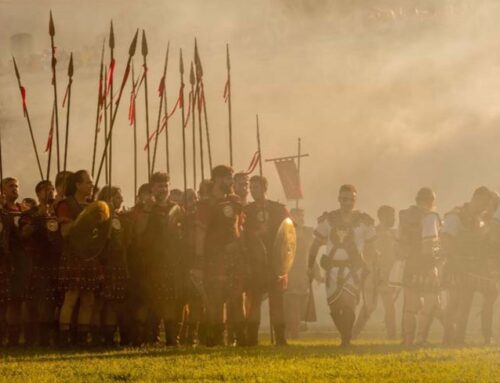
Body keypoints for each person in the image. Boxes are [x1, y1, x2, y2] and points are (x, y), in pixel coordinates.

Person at [308, 184, 376, 347]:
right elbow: (316, 244)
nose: (348, 203)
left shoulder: (364, 221)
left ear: (355, 200)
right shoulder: (328, 220)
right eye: (344, 199)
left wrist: (370, 266)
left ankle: (345, 340)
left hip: (353, 269)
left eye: (351, 199)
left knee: (349, 304)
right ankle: (346, 336)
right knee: (335, 306)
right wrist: (310, 265)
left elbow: (371, 247)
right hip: (332, 270)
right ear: (339, 199)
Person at [192, 165, 245, 346]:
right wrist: (199, 263)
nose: (231, 181)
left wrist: (239, 244)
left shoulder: (235, 201)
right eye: (227, 178)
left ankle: (240, 338)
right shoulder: (206, 205)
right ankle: (217, 339)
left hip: (235, 257)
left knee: (238, 296)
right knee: (217, 299)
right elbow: (201, 235)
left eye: (231, 177)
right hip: (215, 257)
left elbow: (238, 226)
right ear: (217, 180)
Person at [130, 172, 182, 346]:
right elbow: (138, 230)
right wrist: (147, 209)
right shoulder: (142, 208)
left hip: (170, 261)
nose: (164, 189)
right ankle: (148, 338)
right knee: (148, 300)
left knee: (169, 300)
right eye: (160, 186)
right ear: (152, 187)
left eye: (166, 185)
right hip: (149, 261)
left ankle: (171, 340)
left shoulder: (176, 208)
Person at [57, 170, 106, 347]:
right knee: (71, 297)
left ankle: (82, 338)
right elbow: (65, 231)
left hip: (90, 255)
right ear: (77, 185)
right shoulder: (66, 204)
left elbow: (101, 232)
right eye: (87, 182)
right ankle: (64, 338)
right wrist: (84, 220)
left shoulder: (94, 205)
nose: (91, 185)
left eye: (91, 183)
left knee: (88, 298)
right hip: (73, 254)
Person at [441, 186, 492, 345]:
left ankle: (459, 339)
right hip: (456, 265)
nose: (485, 208)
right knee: (455, 302)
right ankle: (448, 337)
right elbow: (446, 239)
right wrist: (453, 260)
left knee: (466, 303)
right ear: (476, 197)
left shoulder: (480, 219)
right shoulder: (456, 216)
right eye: (484, 203)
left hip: (471, 268)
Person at [244, 175, 290, 346]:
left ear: (264, 188)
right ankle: (252, 338)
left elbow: (288, 234)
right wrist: (257, 233)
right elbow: (242, 234)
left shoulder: (278, 209)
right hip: (256, 262)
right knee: (254, 299)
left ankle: (280, 338)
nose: (252, 190)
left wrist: (284, 265)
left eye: (255, 187)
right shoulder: (247, 211)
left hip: (275, 262)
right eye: (251, 187)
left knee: (277, 301)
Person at [20, 180, 60, 346]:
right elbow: (24, 234)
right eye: (45, 190)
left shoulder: (58, 211)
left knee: (52, 301)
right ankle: (31, 338)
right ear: (38, 193)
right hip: (35, 261)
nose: (50, 192)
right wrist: (38, 217)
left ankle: (48, 338)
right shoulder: (30, 214)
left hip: (54, 261)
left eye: (52, 189)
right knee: (34, 301)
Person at [399, 188, 441, 346]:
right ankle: (420, 338)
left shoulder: (404, 216)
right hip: (426, 264)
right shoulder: (430, 217)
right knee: (429, 303)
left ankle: (408, 338)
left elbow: (400, 242)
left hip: (409, 264)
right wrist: (433, 266)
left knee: (410, 306)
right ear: (431, 201)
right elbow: (428, 246)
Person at [353, 205, 398, 340]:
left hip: (386, 275)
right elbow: (368, 254)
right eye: (391, 215)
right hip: (374, 274)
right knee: (369, 307)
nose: (393, 219)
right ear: (383, 217)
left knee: (389, 307)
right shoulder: (375, 233)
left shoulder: (393, 234)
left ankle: (392, 336)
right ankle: (353, 334)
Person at [284, 207, 318, 339]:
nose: (299, 218)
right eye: (296, 216)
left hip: (304, 273)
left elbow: (312, 253)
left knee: (302, 303)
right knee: (292, 303)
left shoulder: (308, 232)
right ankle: (293, 333)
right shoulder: (287, 232)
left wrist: (316, 271)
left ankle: (294, 330)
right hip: (291, 272)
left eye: (301, 215)